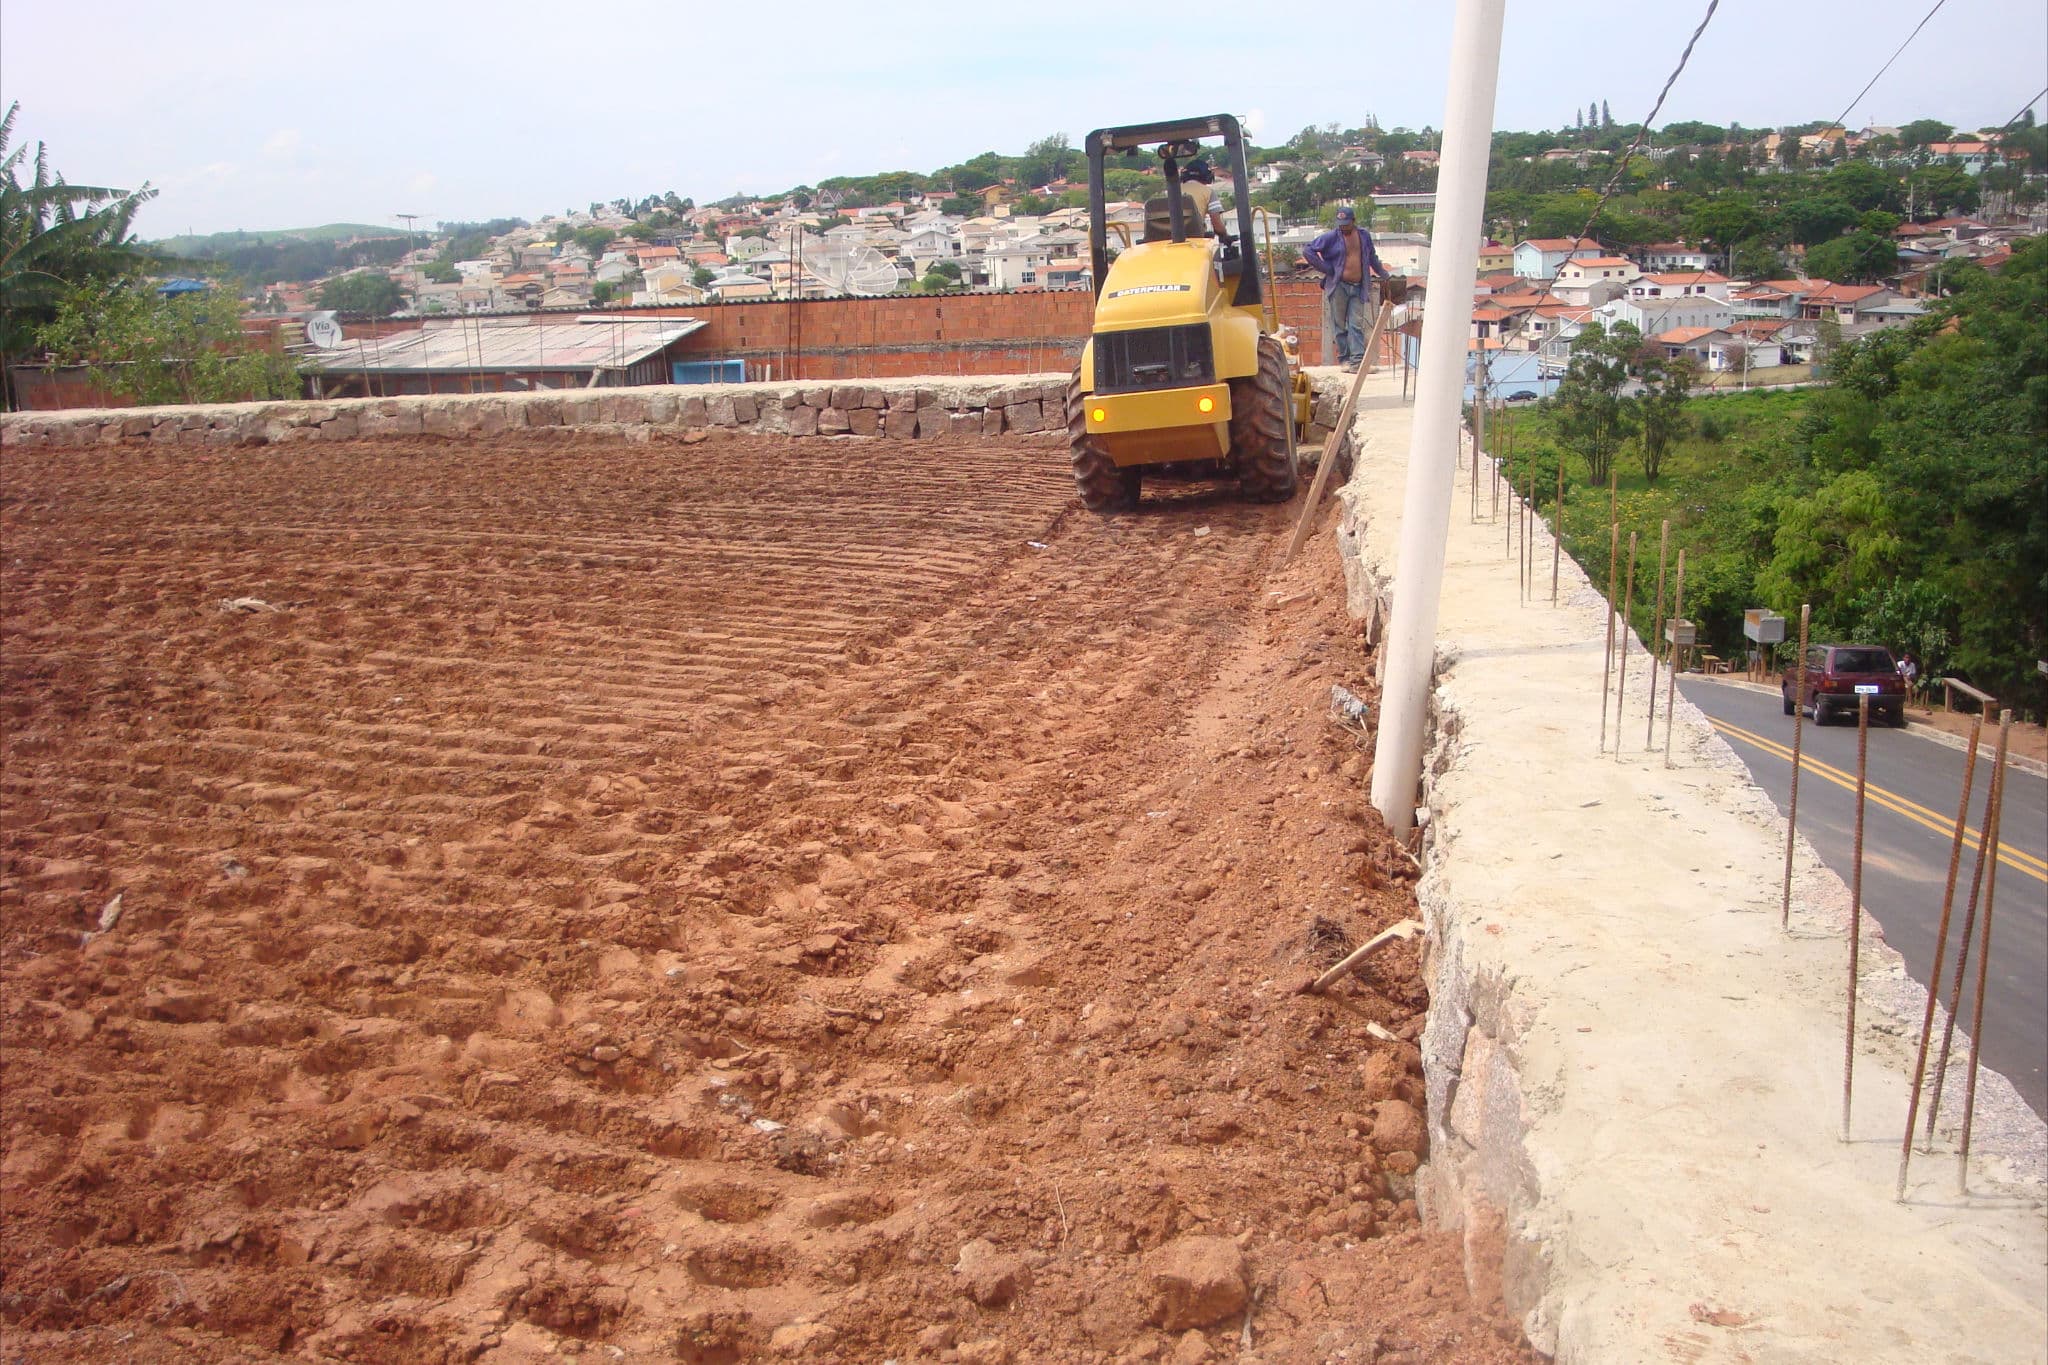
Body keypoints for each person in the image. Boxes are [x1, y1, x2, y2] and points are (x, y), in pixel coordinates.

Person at [1303, 206, 1391, 369]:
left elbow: (1372, 257)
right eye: (1340, 224)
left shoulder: (1363, 236)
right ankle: (1345, 359)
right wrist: (1327, 269)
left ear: (1354, 221)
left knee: (1355, 324)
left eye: (1346, 223)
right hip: (1339, 286)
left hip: (1358, 286)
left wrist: (1383, 274)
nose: (1343, 227)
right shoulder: (1331, 237)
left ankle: (1357, 362)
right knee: (1339, 325)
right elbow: (1308, 251)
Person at [1179, 157, 1232, 242]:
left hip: (1169, 240)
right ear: (1207, 176)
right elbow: (1218, 227)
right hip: (1196, 240)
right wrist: (1225, 235)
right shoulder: (1208, 192)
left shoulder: (1171, 193)